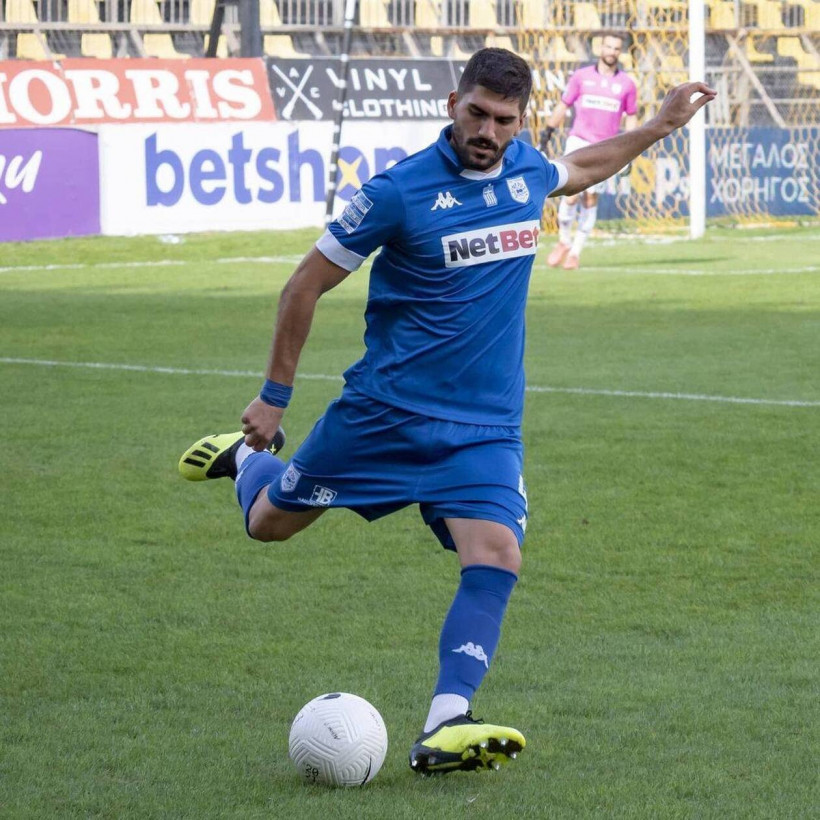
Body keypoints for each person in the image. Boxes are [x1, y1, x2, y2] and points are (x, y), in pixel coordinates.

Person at [178, 47, 714, 776]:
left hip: (484, 428)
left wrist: (659, 126)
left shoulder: (527, 171)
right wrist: (272, 401)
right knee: (269, 524)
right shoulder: (397, 192)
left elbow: (583, 167)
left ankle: (446, 722)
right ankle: (245, 459)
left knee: (497, 554)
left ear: (520, 122)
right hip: (383, 416)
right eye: (477, 114)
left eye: (503, 120)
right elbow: (302, 286)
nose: (487, 132)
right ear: (452, 104)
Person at [541, 32, 639, 270]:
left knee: (590, 197)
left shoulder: (627, 84)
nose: (611, 52)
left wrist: (630, 149)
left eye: (616, 48)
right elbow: (563, 105)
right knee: (570, 193)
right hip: (578, 141)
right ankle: (563, 240)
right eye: (608, 46)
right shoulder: (581, 77)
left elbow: (631, 116)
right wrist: (547, 134)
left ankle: (575, 251)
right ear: (600, 48)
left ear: (620, 52)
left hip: (605, 147)